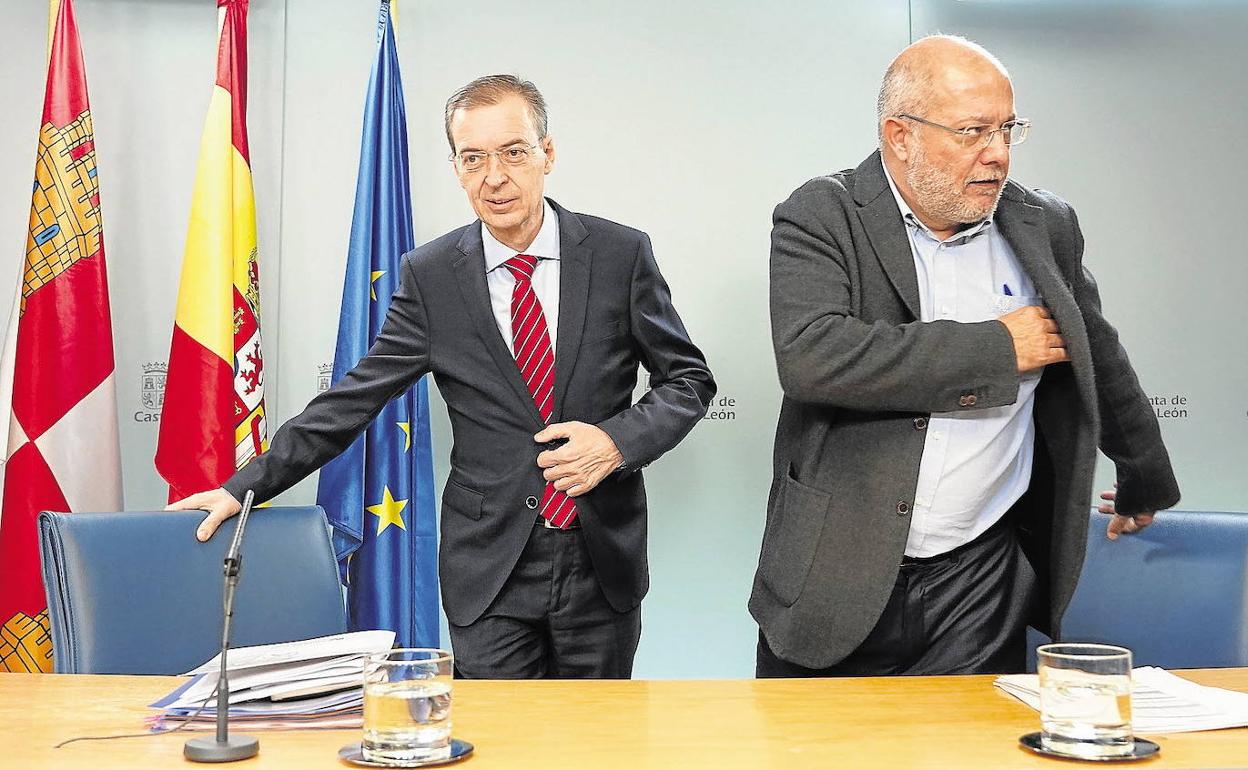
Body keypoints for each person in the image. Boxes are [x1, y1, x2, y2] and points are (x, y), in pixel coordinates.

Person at [172, 75, 715, 679]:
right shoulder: (432, 276)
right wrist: (244, 487)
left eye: (514, 152)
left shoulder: (619, 254)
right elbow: (354, 399)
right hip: (490, 568)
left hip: (600, 558)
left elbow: (688, 380)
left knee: (595, 743)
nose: (495, 176)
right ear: (456, 168)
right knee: (499, 744)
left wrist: (617, 443)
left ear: (548, 154)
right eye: (473, 158)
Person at [750, 35, 1179, 677]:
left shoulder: (1045, 223)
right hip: (836, 571)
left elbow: (1098, 352)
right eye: (974, 132)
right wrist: (1002, 347)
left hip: (981, 579)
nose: (998, 155)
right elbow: (814, 355)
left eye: (1008, 129)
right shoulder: (822, 212)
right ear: (901, 135)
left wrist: (1145, 473)